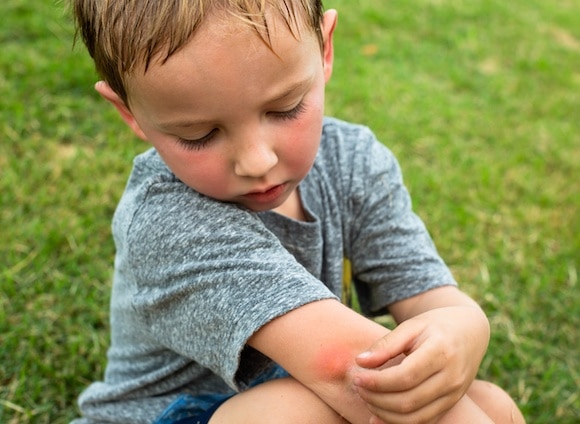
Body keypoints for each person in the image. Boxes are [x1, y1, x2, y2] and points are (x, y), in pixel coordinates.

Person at [70, 1, 525, 423]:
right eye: (198, 134)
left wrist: (463, 324)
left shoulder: (353, 161)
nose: (257, 161)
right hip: (173, 416)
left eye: (285, 108)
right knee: (297, 410)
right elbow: (348, 372)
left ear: (324, 49)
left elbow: (429, 293)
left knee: (494, 406)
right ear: (129, 111)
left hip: (296, 395)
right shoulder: (167, 221)